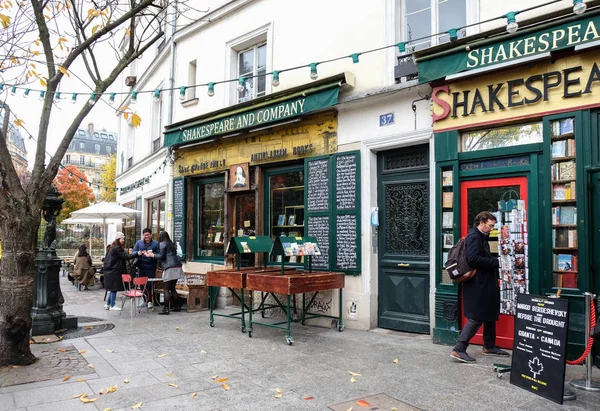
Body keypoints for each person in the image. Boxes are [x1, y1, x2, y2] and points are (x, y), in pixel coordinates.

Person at [451, 211, 510, 363]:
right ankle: (459, 349)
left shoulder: (482, 236)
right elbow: (474, 259)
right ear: (482, 222)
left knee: (490, 313)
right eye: (490, 225)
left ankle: (489, 346)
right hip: (477, 283)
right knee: (476, 317)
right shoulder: (474, 237)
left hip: (485, 282)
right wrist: (498, 262)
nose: (492, 228)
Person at [147, 231, 184, 315]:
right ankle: (177, 306)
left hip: (169, 267)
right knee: (172, 288)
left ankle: (166, 308)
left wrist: (152, 255)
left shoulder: (162, 244)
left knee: (166, 288)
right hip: (177, 266)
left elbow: (161, 256)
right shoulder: (171, 244)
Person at [103, 232, 138, 311]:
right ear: (118, 239)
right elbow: (125, 256)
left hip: (110, 270)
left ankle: (107, 304)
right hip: (115, 271)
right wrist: (137, 254)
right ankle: (112, 305)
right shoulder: (117, 248)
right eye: (122, 239)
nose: (123, 240)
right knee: (114, 288)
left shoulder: (111, 247)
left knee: (112, 288)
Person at [133, 228, 160, 308]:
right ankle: (144, 300)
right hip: (141, 266)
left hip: (151, 267)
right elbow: (134, 252)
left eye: (148, 235)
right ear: (143, 235)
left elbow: (159, 254)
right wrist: (138, 253)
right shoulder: (139, 243)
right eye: (145, 235)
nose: (146, 236)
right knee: (141, 284)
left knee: (149, 284)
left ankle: (150, 301)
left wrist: (152, 254)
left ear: (151, 235)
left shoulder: (155, 244)